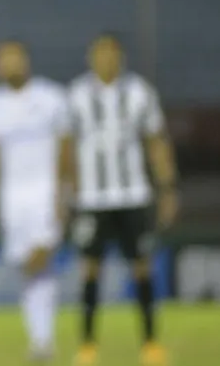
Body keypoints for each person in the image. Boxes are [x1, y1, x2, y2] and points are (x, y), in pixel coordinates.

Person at [66, 33, 177, 366]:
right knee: (89, 271)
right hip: (91, 200)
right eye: (99, 54)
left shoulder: (140, 92)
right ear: (90, 57)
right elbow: (66, 148)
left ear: (121, 57)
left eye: (111, 53)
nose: (105, 59)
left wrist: (168, 187)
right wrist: (65, 192)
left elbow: (156, 142)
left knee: (141, 268)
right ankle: (87, 345)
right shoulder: (76, 95)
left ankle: (150, 343)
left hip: (133, 195)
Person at [0, 40, 72, 362]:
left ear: (25, 60)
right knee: (27, 270)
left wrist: (65, 194)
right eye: (1, 59)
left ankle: (43, 339)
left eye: (12, 58)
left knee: (39, 258)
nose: (7, 65)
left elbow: (67, 151)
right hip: (12, 199)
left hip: (45, 193)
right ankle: (41, 341)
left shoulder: (52, 98)